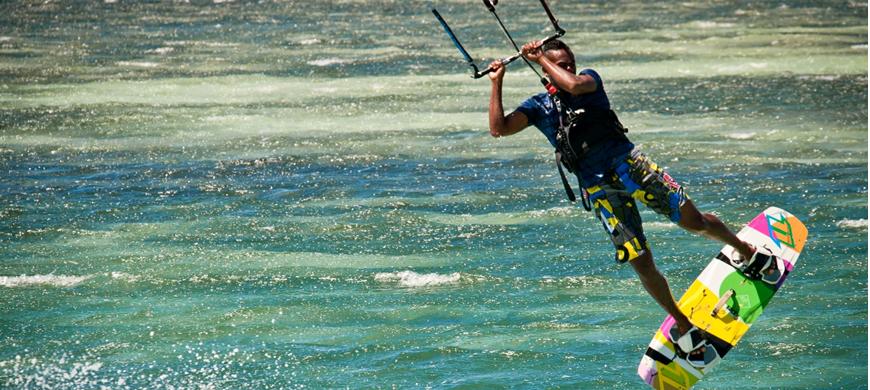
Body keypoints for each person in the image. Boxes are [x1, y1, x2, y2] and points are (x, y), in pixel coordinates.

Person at [485, 39, 781, 368]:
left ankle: (747, 251)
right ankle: (683, 324)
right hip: (599, 187)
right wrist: (497, 82)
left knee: (693, 221)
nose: (568, 68)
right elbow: (499, 129)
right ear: (544, 69)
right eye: (561, 64)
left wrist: (543, 59)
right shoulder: (539, 107)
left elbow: (570, 83)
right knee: (639, 260)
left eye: (569, 62)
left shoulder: (588, 81)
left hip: (632, 166)